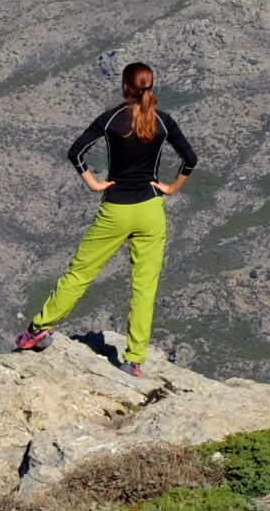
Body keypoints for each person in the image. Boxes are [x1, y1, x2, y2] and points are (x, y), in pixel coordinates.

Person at [15, 62, 197, 376]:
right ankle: (134, 359)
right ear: (151, 85)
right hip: (151, 212)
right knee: (144, 287)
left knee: (80, 274)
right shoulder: (163, 122)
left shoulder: (112, 118)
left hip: (115, 209)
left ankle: (37, 330)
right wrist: (169, 188)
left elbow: (76, 151)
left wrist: (94, 183)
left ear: (126, 86)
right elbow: (190, 159)